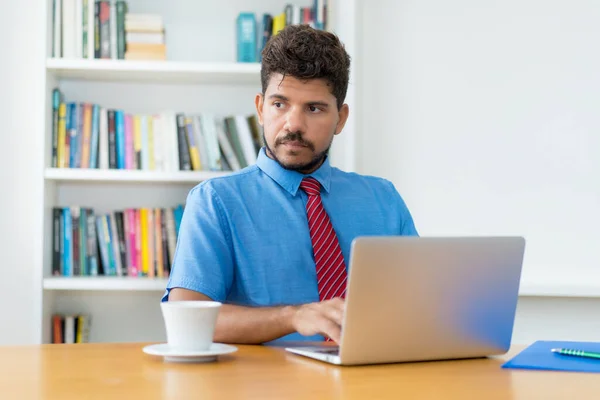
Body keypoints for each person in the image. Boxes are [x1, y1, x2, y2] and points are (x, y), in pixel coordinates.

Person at [162, 24, 418, 344]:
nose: (293, 125)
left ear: (340, 118)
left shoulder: (383, 199)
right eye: (280, 104)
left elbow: (418, 307)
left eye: (314, 108)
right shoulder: (215, 201)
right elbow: (188, 322)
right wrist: (293, 316)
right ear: (260, 107)